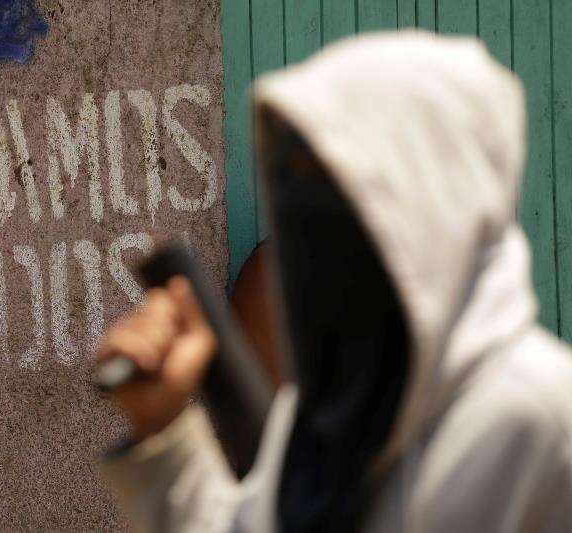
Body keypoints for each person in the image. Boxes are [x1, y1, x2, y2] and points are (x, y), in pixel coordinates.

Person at [96, 31, 572, 532]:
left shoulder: (543, 423)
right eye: (295, 179)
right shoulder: (317, 424)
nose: (311, 215)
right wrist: (162, 426)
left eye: (342, 185)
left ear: (437, 190)